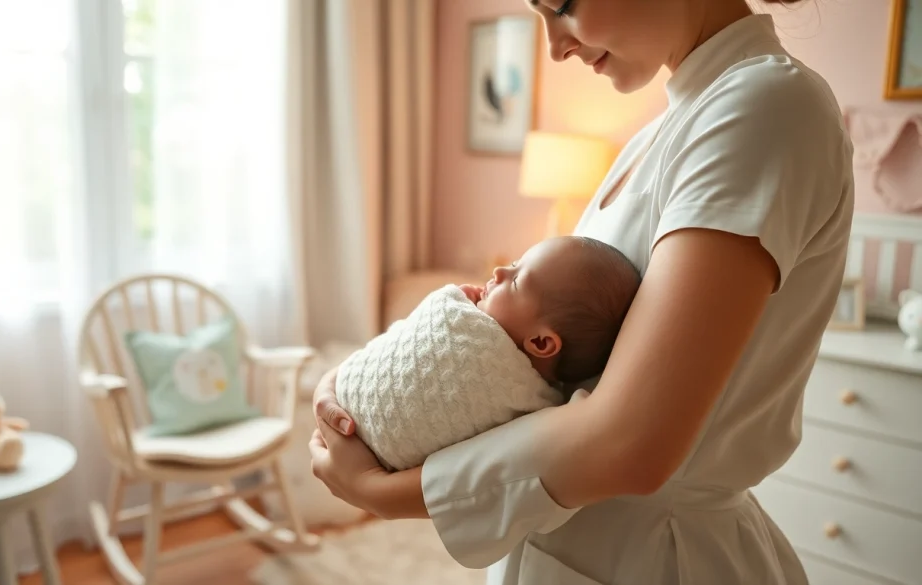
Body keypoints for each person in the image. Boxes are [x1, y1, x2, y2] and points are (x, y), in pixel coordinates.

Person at [310, 0, 854, 583]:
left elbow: (632, 441)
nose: (554, 47)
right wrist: (353, 391)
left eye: (563, 6)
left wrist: (384, 492)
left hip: (652, 557)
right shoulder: (665, 131)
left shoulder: (763, 109)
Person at [336, 236, 640, 472]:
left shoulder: (530, 409)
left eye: (517, 280)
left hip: (370, 441)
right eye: (515, 262)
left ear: (541, 342)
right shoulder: (541, 407)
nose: (500, 271)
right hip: (351, 409)